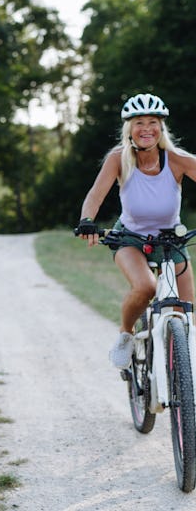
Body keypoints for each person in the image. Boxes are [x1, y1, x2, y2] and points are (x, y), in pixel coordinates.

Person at [77, 93, 196, 369]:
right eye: (139, 122)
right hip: (130, 238)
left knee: (187, 316)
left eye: (152, 122)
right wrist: (87, 220)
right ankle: (125, 335)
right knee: (146, 287)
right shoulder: (119, 158)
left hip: (171, 240)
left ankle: (179, 384)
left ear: (161, 126)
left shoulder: (176, 159)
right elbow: (95, 196)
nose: (146, 128)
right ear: (129, 128)